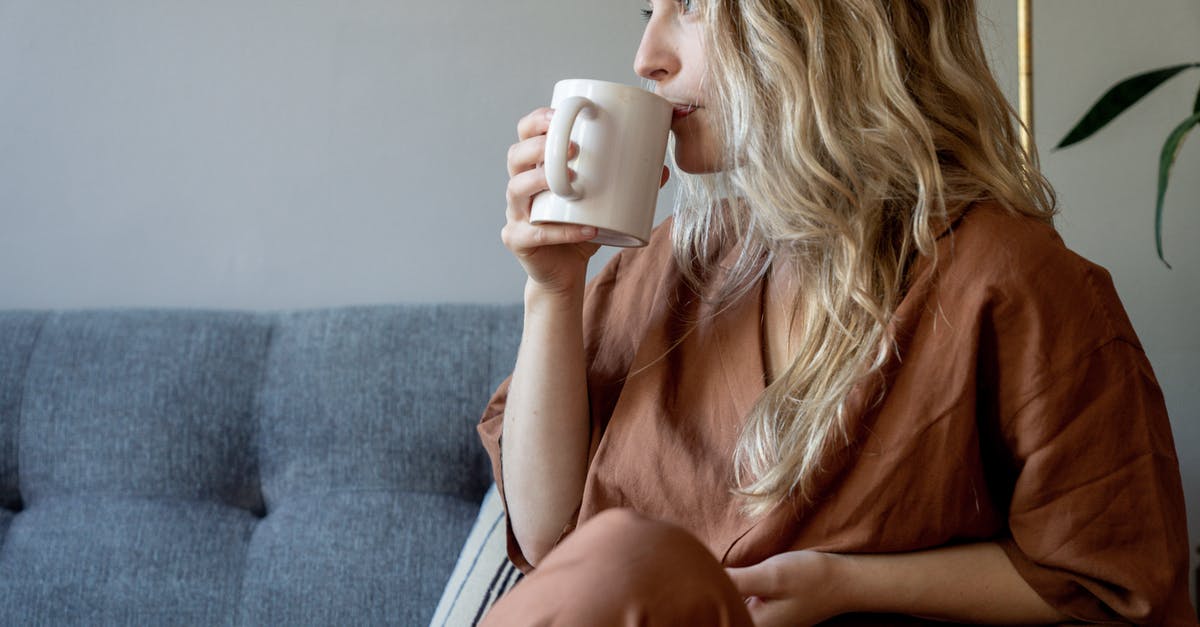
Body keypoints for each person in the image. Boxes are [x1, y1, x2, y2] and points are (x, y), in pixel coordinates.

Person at [479, 0, 1195, 624]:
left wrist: (847, 582)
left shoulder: (1008, 279)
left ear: (826, 21)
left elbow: (1108, 578)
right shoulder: (676, 262)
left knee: (630, 558)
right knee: (620, 558)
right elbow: (546, 538)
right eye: (649, 11)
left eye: (693, 5)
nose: (647, 57)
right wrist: (553, 289)